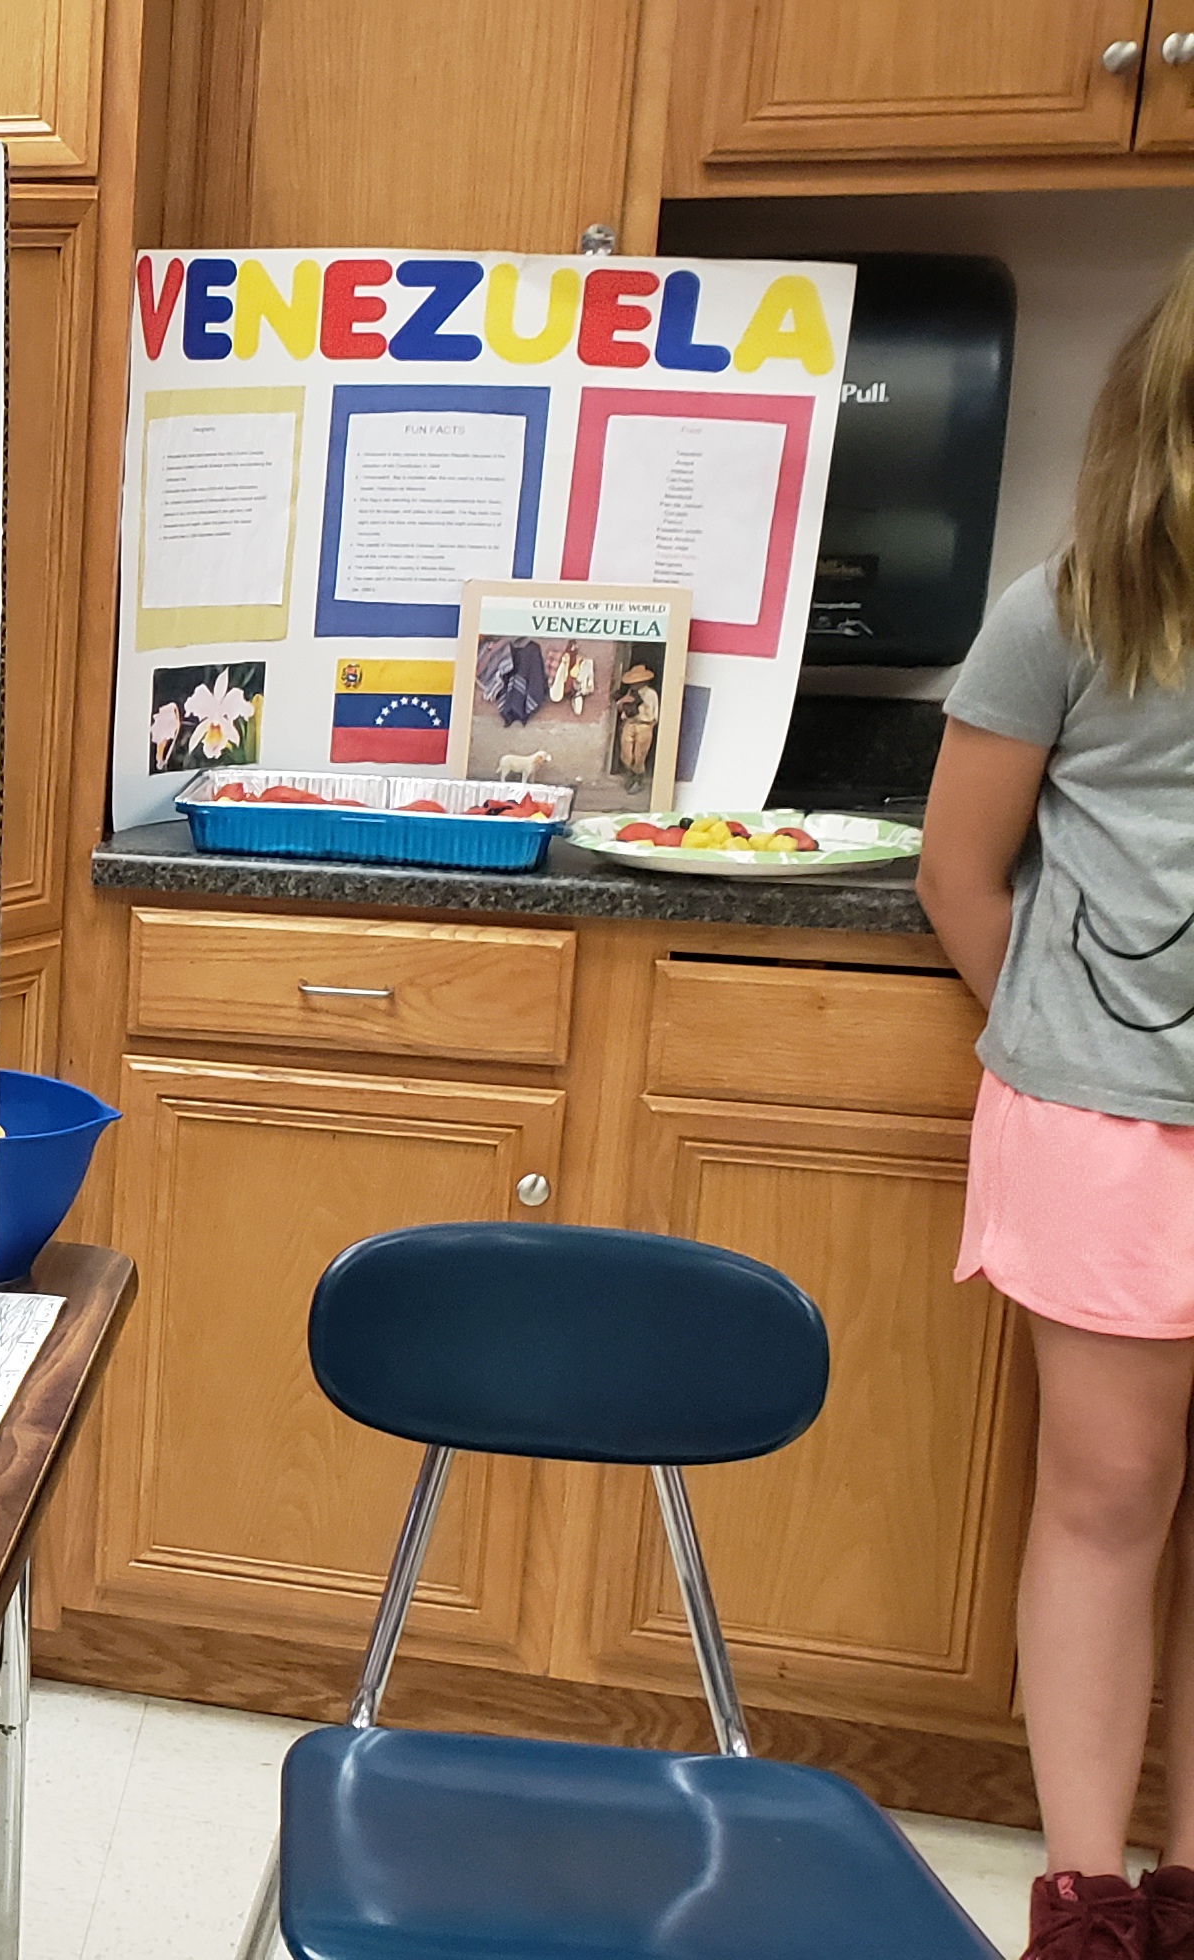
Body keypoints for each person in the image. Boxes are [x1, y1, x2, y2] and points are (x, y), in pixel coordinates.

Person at [919, 245, 1194, 1960]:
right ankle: (1092, 1902)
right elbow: (962, 870)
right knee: (1110, 1496)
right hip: (1108, 1126)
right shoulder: (1070, 612)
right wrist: (1077, 1038)